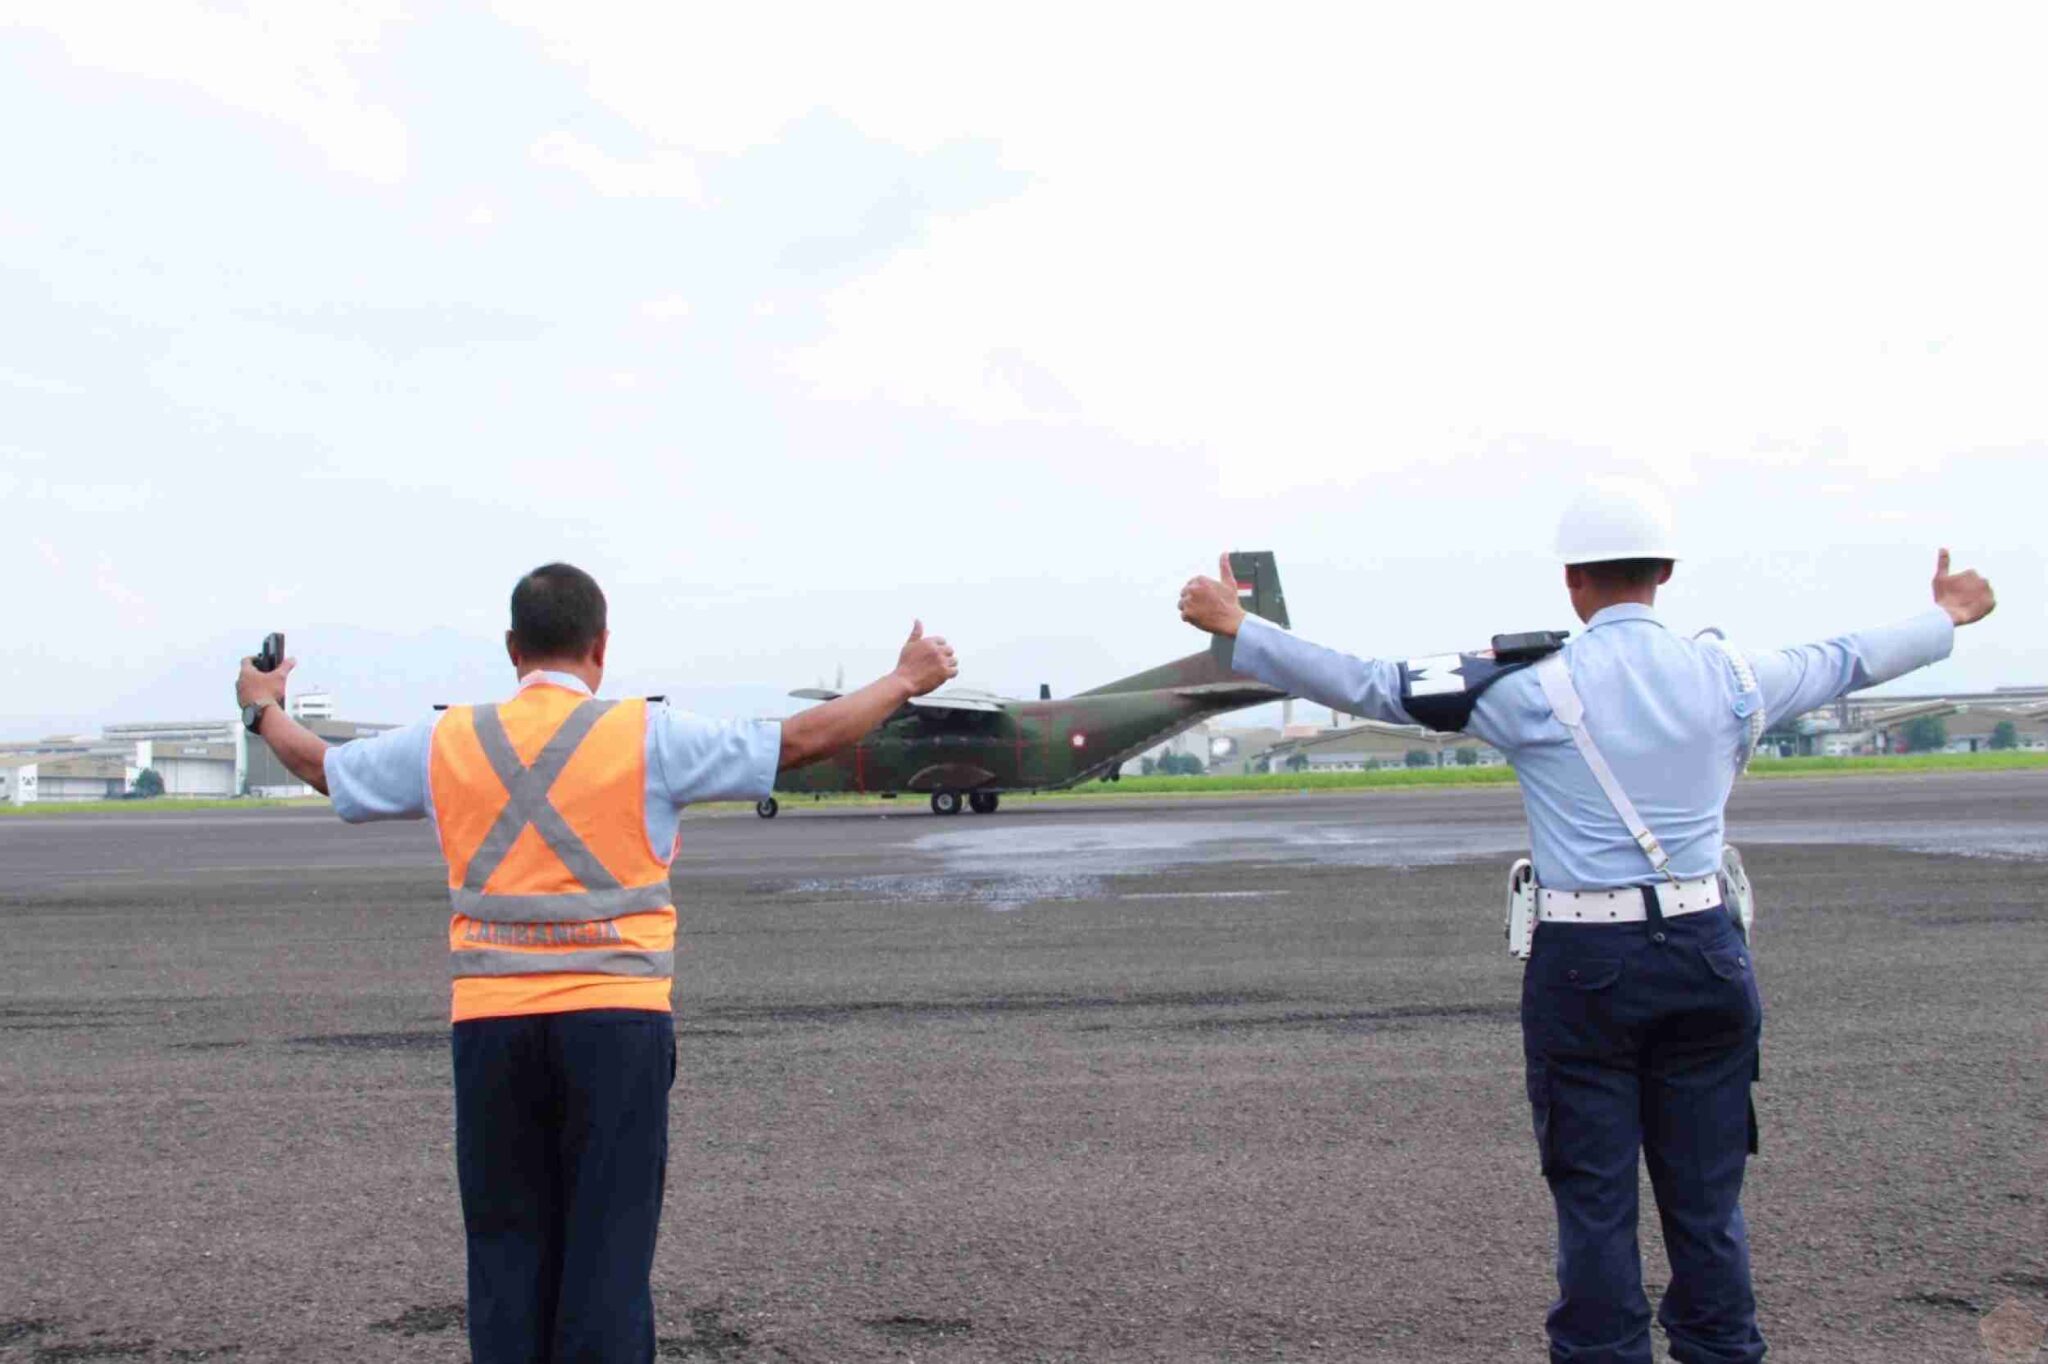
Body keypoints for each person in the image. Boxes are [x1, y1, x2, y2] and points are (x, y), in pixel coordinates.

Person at [1175, 481, 1997, 1364]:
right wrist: (1946, 616)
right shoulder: (1736, 678)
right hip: (1709, 954)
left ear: (1573, 582)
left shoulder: (1526, 688)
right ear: (1666, 574)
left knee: (1595, 1199)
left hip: (1584, 965)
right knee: (1707, 1200)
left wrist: (1239, 627)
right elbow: (1849, 658)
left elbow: (1374, 685)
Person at [235, 562, 957, 1364]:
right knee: (607, 1263)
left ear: (512, 648)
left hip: (492, 1034)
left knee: (507, 1257)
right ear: (602, 647)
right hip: (618, 1030)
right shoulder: (649, 735)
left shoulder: (448, 741)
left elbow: (323, 768)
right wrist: (902, 680)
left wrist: (261, 707)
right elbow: (799, 741)